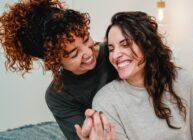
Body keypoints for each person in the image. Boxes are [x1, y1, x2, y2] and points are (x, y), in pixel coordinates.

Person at [77, 11, 193, 140]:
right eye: (111, 49)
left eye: (125, 44)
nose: (115, 55)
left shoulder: (182, 78)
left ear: (147, 44)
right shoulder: (105, 102)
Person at [0, 0, 117, 139]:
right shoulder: (58, 96)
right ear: (54, 62)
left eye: (86, 39)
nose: (88, 53)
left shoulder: (116, 53)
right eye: (74, 54)